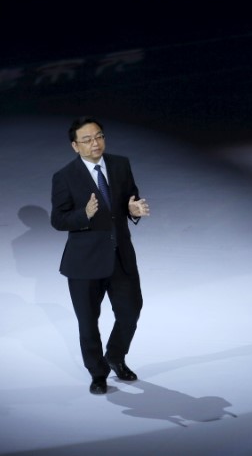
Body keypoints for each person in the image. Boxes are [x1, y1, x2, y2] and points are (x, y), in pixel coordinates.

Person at [50, 116, 150, 395]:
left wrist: (133, 210)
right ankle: (97, 372)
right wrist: (85, 215)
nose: (96, 143)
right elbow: (58, 219)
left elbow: (130, 197)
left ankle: (115, 356)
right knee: (88, 321)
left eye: (99, 136)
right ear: (75, 145)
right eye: (88, 139)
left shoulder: (120, 164)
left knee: (131, 311)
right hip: (84, 263)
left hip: (120, 256)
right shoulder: (64, 176)